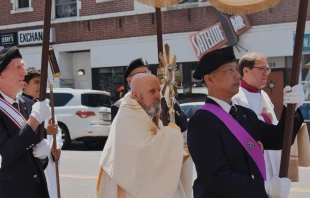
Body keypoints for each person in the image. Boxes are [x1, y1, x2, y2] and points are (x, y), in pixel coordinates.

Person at [187, 46, 304, 198]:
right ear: (210, 79)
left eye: (236, 69)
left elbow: (278, 139)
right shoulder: (202, 122)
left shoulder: (245, 115)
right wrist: (264, 188)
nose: (237, 76)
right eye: (229, 70)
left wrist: (291, 109)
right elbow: (216, 178)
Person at [97, 73, 193, 198]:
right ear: (136, 94)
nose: (158, 95)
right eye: (152, 91)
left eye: (159, 90)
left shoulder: (147, 112)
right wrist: (172, 135)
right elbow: (142, 156)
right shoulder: (126, 117)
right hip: (131, 190)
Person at [0, 46, 52, 198]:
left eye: (23, 66)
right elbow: (6, 153)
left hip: (36, 189)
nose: (24, 72)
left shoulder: (28, 104)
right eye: (18, 67)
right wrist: (34, 122)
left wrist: (43, 157)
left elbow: (30, 155)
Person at [111, 57, 187, 132]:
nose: (145, 77)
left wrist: (170, 101)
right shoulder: (120, 106)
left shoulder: (160, 98)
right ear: (129, 81)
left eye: (147, 73)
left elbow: (182, 126)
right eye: (140, 75)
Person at [23, 67, 63, 198]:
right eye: (36, 82)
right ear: (24, 83)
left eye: (42, 83)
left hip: (48, 162)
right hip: (29, 164)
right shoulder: (20, 105)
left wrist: (56, 147)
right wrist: (46, 132)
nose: (40, 86)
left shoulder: (45, 106)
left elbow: (56, 132)